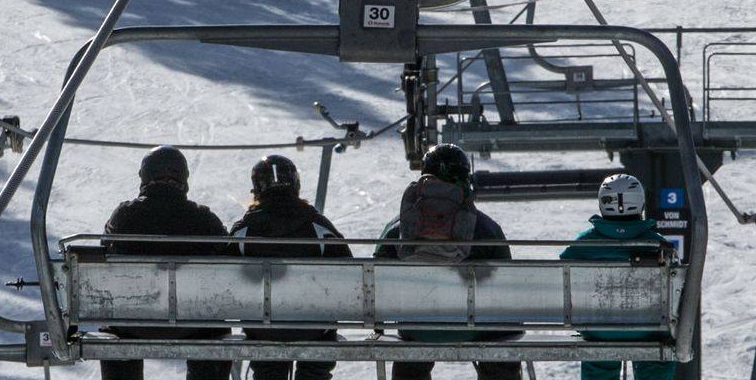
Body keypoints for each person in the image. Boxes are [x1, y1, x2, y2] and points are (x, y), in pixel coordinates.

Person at [377, 144, 520, 380]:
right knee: (497, 336)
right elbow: (502, 289)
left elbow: (377, 278)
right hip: (474, 328)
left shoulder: (399, 229)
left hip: (417, 329)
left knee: (412, 347)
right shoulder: (487, 228)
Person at [101, 146, 232, 380]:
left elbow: (104, 252)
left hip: (132, 323)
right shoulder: (202, 218)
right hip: (194, 324)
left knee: (114, 330)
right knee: (216, 329)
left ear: (145, 176)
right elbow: (229, 257)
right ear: (183, 178)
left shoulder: (125, 215)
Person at [228, 155, 351, 380]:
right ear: (295, 184)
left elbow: (220, 279)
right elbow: (349, 275)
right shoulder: (317, 226)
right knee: (318, 352)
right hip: (314, 330)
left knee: (267, 360)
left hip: (263, 330)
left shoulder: (244, 230)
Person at [561, 174, 675, 380]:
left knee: (598, 356)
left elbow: (564, 275)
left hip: (598, 331)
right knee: (658, 355)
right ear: (640, 203)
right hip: (650, 331)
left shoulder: (583, 245)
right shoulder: (658, 244)